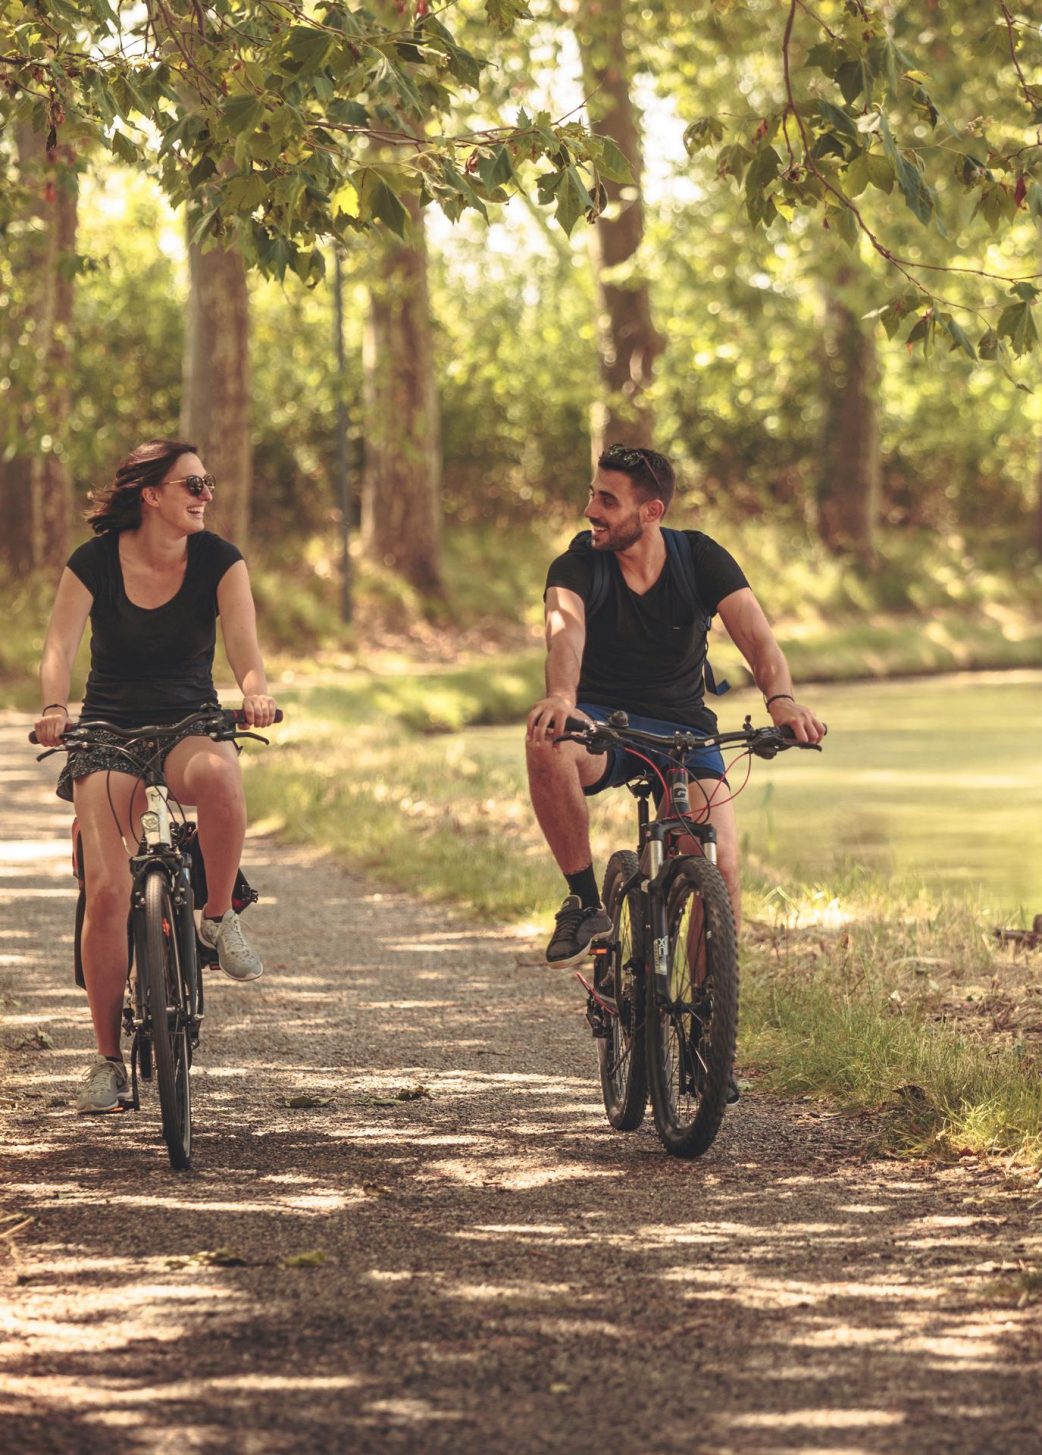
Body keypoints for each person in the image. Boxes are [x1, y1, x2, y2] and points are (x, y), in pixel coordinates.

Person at [34, 439, 278, 1115]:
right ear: (152, 495)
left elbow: (245, 651)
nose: (206, 496)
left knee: (224, 781)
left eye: (208, 484)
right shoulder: (93, 562)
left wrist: (255, 691)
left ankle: (217, 917)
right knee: (109, 890)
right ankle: (108, 1059)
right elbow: (58, 646)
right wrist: (56, 707)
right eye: (193, 485)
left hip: (189, 720)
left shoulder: (221, 561)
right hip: (107, 729)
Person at [526, 443, 825, 976]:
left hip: (684, 731)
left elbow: (758, 640)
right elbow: (565, 637)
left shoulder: (700, 557)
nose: (591, 510)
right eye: (593, 495)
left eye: (607, 500)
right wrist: (562, 700)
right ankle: (586, 903)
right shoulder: (576, 566)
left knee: (722, 869)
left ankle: (708, 1031)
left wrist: (782, 702)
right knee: (547, 742)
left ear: (651, 512)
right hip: (600, 725)